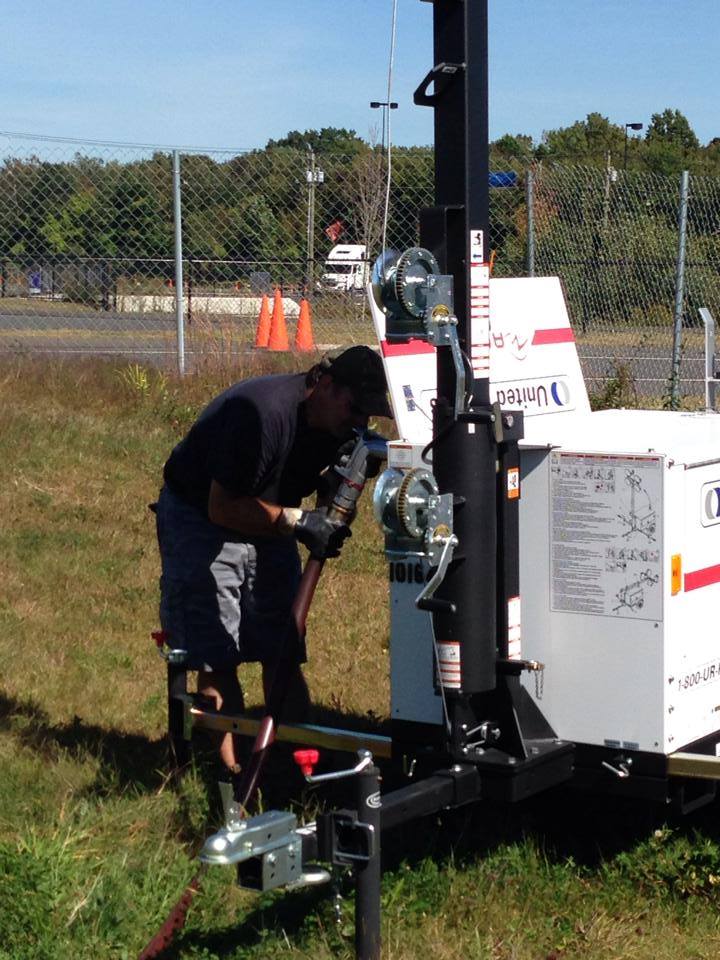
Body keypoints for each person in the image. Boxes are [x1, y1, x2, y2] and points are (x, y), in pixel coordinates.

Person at [155, 345, 392, 781]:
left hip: (271, 515)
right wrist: (299, 522)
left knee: (281, 647)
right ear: (323, 384)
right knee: (216, 651)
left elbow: (323, 500)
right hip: (203, 517)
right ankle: (231, 777)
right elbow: (222, 507)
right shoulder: (263, 415)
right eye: (355, 408)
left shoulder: (340, 428)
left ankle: (296, 767)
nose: (360, 422)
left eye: (369, 415)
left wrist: (339, 496)